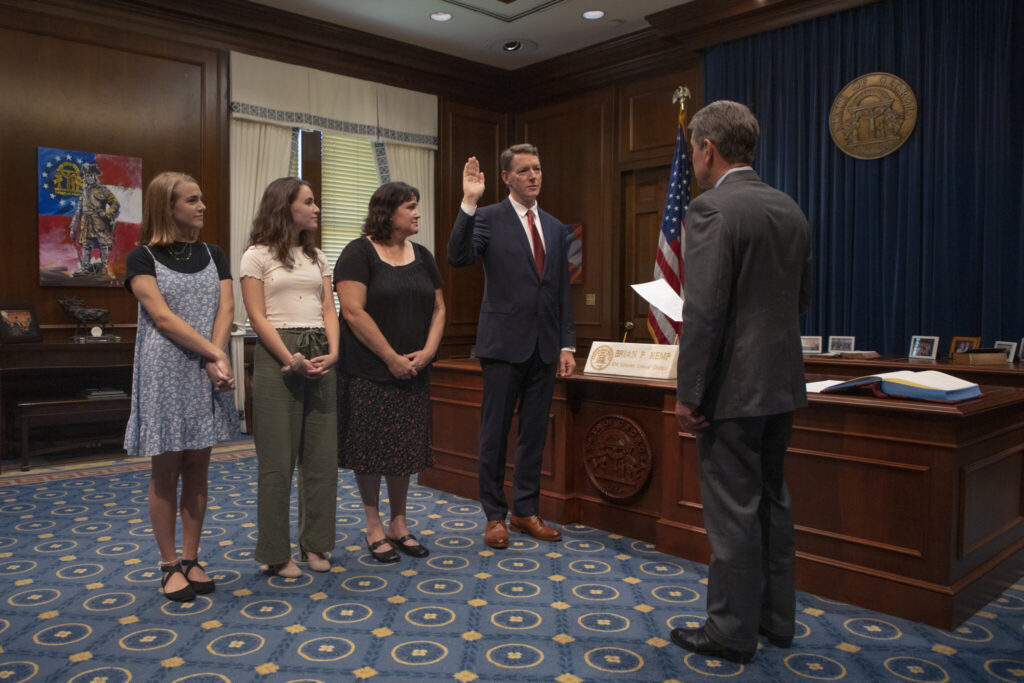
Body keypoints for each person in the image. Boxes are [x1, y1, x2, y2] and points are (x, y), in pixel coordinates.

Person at [671, 100, 813, 663]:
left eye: (693, 149)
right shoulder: (790, 208)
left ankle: (730, 631)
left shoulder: (711, 210)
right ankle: (777, 621)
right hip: (781, 385)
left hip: (730, 390)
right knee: (772, 503)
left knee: (732, 512)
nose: (694, 160)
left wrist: (690, 393)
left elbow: (703, 313)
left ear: (708, 148)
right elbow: (801, 300)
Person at [447, 144, 575, 550]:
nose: (533, 176)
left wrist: (567, 345)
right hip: (502, 346)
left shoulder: (555, 227)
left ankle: (525, 511)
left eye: (537, 169)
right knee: (495, 433)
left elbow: (560, 293)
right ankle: (495, 516)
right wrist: (468, 201)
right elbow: (457, 256)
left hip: (544, 348)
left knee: (534, 434)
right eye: (524, 171)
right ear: (506, 178)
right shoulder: (486, 218)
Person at [123, 171, 239, 602]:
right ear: (167, 207)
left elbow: (226, 306)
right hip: (165, 369)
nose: (202, 206)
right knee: (166, 469)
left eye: (201, 197)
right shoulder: (142, 257)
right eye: (192, 200)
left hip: (208, 365)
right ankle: (168, 564)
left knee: (198, 467)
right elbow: (164, 317)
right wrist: (214, 355)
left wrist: (215, 355)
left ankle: (192, 558)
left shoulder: (214, 253)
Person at [335, 182, 445, 563]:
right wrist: (390, 358)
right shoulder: (357, 253)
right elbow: (352, 311)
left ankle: (399, 524)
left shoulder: (423, 254)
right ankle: (373, 525)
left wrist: (429, 352)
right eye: (411, 207)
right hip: (369, 370)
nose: (417, 214)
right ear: (388, 211)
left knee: (403, 450)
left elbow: (439, 308)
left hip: (414, 369)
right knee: (370, 452)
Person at [240, 177, 340, 578]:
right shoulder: (256, 255)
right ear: (285, 207)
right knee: (278, 461)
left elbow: (329, 309)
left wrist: (334, 352)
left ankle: (315, 544)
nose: (316, 208)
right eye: (309, 201)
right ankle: (277, 552)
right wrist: (290, 359)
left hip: (321, 350)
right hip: (277, 354)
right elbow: (256, 317)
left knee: (321, 459)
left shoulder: (318, 258)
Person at [70, 162, 120, 277]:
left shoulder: (103, 190)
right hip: (86, 222)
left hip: (99, 222)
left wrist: (107, 213)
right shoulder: (84, 193)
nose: (89, 177)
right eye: (86, 176)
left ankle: (104, 268)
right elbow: (78, 212)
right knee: (86, 244)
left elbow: (115, 204)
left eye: (91, 175)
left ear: (95, 176)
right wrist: (73, 227)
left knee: (103, 244)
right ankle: (86, 268)